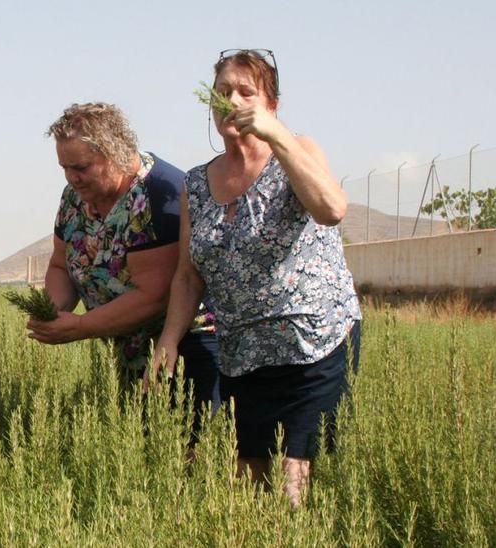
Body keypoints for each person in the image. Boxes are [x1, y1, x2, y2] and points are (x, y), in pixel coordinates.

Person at [148, 49, 362, 506]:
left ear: (272, 105)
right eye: (223, 92)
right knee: (248, 483)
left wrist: (276, 137)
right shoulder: (197, 184)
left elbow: (332, 209)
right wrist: (168, 339)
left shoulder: (299, 151)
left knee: (293, 486)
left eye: (246, 92)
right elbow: (188, 277)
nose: (233, 101)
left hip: (312, 343)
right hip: (243, 356)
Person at [28, 102, 221, 427]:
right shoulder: (75, 197)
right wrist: (52, 309)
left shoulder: (158, 193)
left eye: (81, 167)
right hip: (126, 348)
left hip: (183, 349)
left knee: (186, 452)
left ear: (114, 153)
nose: (72, 177)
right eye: (65, 167)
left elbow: (154, 295)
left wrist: (77, 327)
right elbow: (61, 265)